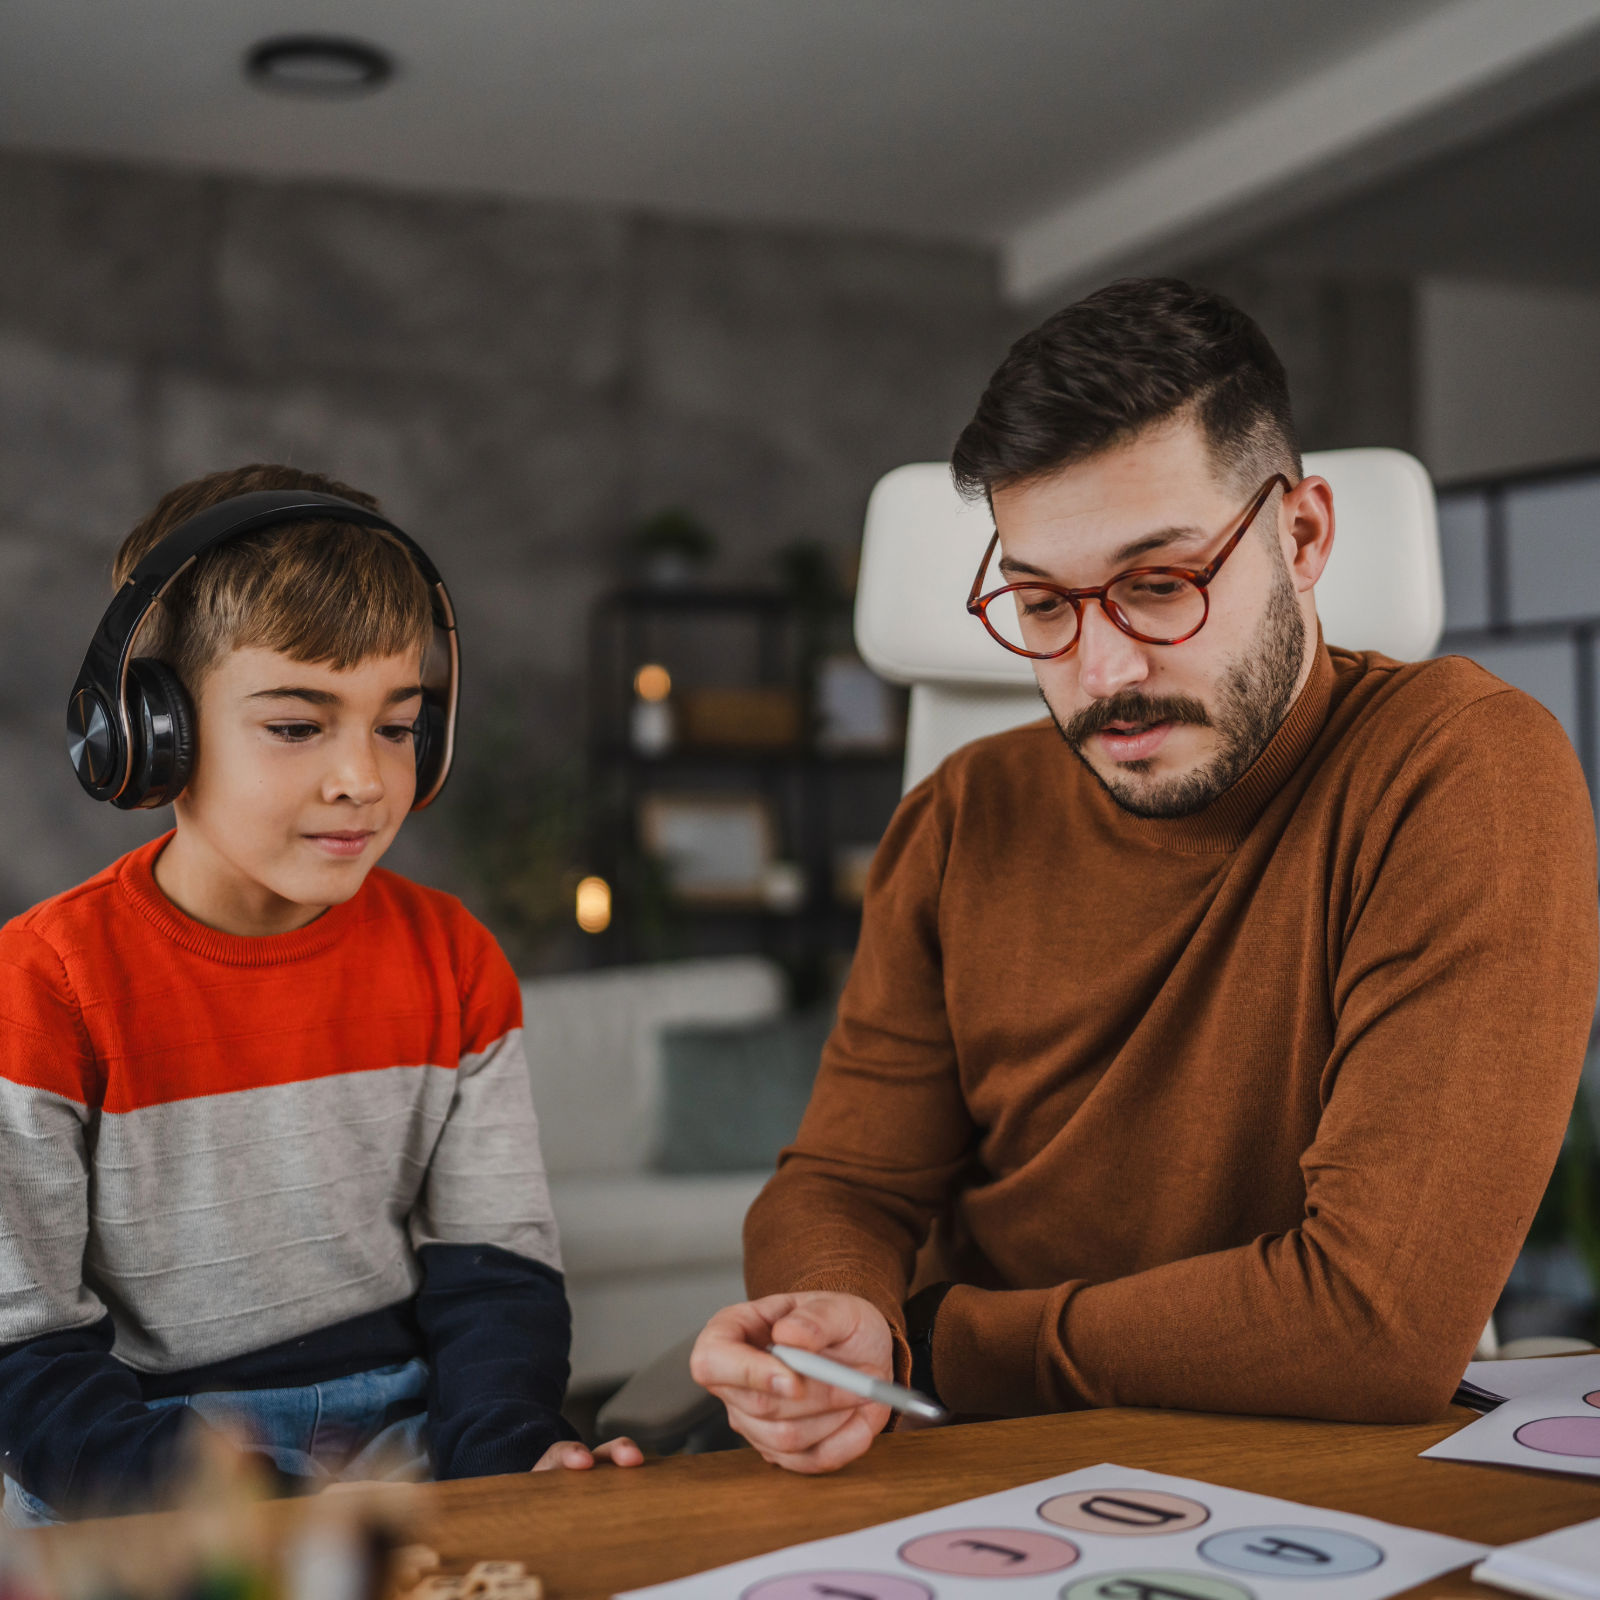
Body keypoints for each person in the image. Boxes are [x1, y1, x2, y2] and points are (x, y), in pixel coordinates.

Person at [691, 278, 1600, 1473]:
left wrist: (934, 1340)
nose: (1106, 667)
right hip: (944, 1464)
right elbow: (843, 1183)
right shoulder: (963, 813)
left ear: (1304, 534)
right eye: (1039, 604)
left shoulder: (1460, 772)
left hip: (1274, 1469)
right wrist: (837, 1316)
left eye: (1161, 582)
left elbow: (1375, 1323)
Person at [0, 464, 640, 1523]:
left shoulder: (454, 960)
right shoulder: (42, 982)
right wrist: (257, 1508)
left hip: (401, 1444)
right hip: (140, 1467)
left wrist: (508, 1455)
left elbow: (495, 1276)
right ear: (150, 731)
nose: (365, 778)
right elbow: (24, 1356)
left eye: (398, 723)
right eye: (299, 726)